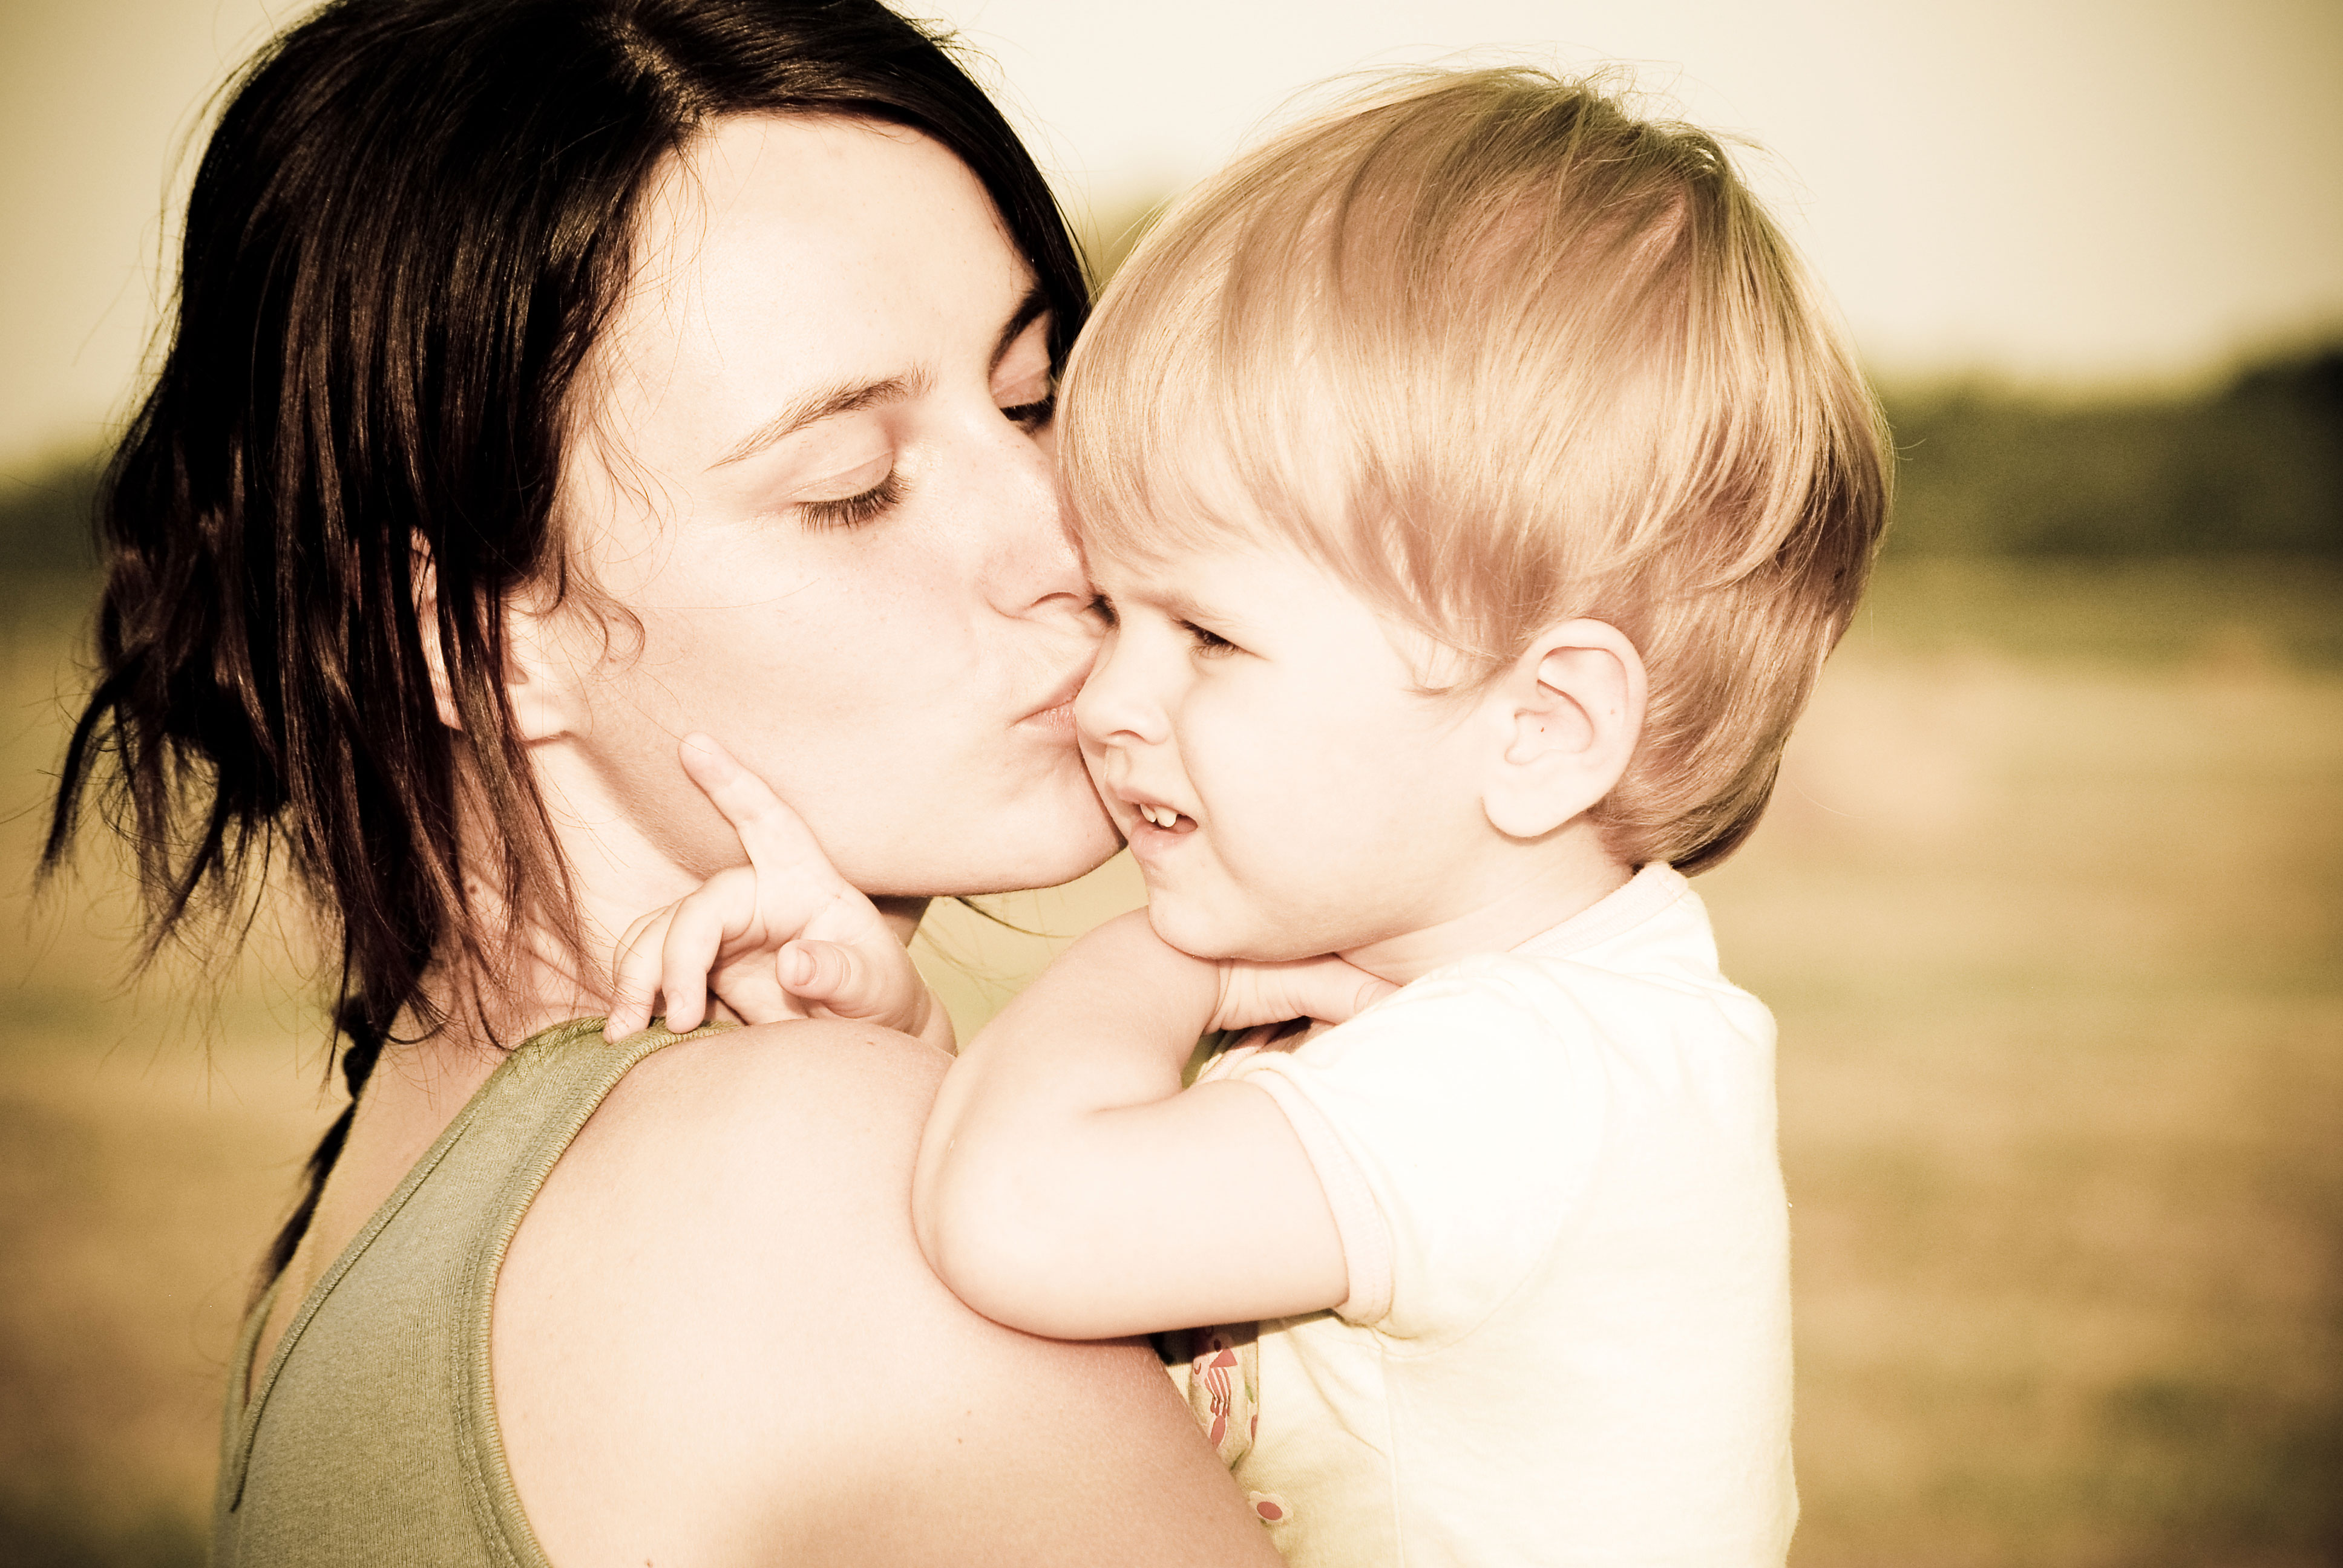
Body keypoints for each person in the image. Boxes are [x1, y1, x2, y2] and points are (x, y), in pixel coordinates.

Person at [43, 1, 1289, 1563]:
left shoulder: (372, 1225)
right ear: (473, 645)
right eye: (853, 490)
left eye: (1034, 398)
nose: (1069, 541)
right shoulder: (805, 1175)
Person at [611, 68, 1892, 1566]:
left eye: (1207, 637)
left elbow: (1020, 1216)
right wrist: (902, 1040)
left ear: (1539, 732)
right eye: (1121, 606)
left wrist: (1167, 969)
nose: (1107, 696)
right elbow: (1115, 1216)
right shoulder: (1468, 1012)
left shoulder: (1529, 1078)